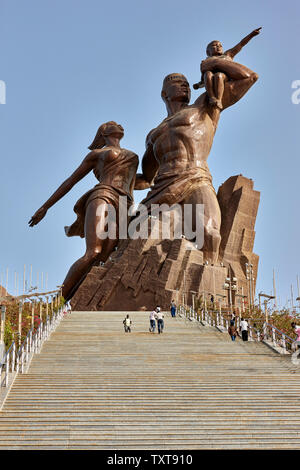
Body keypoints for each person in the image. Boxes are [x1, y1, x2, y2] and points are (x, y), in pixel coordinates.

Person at [140, 59, 259, 265]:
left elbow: (249, 77)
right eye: (176, 81)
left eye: (186, 82)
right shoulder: (153, 134)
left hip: (196, 178)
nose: (184, 84)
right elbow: (146, 176)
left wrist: (214, 62)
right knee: (135, 235)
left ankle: (209, 293)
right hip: (162, 188)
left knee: (210, 235)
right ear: (164, 93)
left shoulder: (204, 107)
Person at [29, 121, 150, 300]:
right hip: (103, 195)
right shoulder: (97, 154)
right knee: (93, 252)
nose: (119, 125)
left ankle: (80, 297)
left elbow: (139, 181)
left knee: (107, 256)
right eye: (112, 124)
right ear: (103, 133)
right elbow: (71, 181)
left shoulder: (132, 155)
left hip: (125, 203)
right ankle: (57, 302)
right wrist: (45, 207)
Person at [193, 27, 262, 109]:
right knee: (207, 74)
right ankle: (212, 97)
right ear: (208, 52)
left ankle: (218, 99)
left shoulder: (227, 55)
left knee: (219, 75)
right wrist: (198, 85)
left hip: (225, 77)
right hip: (211, 80)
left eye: (220, 46)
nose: (218, 47)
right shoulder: (205, 62)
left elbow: (241, 44)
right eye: (214, 45)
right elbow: (203, 79)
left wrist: (251, 35)